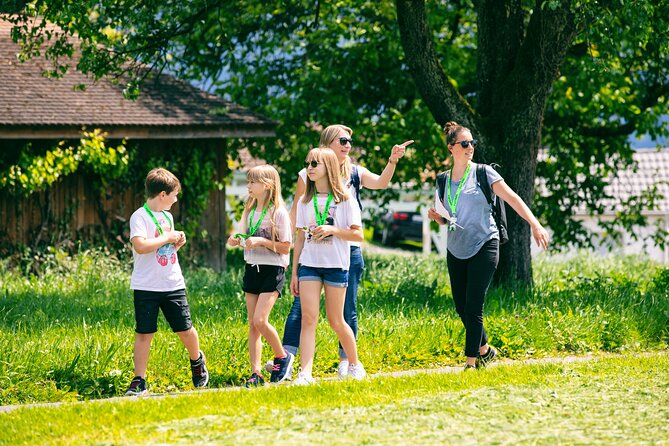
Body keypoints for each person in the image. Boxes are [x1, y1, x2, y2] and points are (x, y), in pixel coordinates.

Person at [274, 124, 412, 378]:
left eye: (350, 141)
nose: (348, 145)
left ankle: (348, 362)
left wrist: (392, 161)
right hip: (311, 258)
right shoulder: (308, 176)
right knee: (304, 313)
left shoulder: (353, 178)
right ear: (327, 145)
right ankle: (290, 363)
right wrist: (287, 253)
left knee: (343, 314)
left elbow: (380, 184)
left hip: (346, 253)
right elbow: (297, 217)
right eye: (343, 140)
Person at [427, 121, 550, 370]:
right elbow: (446, 215)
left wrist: (534, 224)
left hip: (485, 243)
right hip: (456, 247)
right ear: (451, 148)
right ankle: (485, 350)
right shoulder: (442, 180)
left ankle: (471, 364)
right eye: (464, 143)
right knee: (461, 307)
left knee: (474, 305)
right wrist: (438, 218)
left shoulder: (483, 173)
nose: (470, 147)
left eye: (472, 142)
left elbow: (514, 198)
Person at [125, 167, 209, 396]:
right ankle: (139, 380)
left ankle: (197, 360)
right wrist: (167, 237)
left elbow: (164, 248)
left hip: (172, 283)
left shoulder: (168, 216)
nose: (176, 199)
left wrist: (175, 243)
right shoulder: (139, 216)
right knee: (144, 333)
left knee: (185, 330)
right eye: (174, 194)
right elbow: (141, 246)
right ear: (162, 194)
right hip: (146, 285)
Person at [290, 148, 366, 385]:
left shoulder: (344, 200)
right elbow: (300, 238)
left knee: (336, 320)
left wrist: (332, 229)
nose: (310, 167)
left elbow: (358, 235)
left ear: (329, 168)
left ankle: (354, 364)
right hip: (309, 265)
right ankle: (305, 373)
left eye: (315, 163)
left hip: (336, 266)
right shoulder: (305, 201)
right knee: (308, 319)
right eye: (308, 163)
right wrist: (294, 272)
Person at [227, 165, 294, 388]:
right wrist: (235, 239)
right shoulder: (249, 209)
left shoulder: (279, 213)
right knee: (252, 325)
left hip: (272, 270)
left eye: (252, 182)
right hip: (252, 268)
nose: (248, 186)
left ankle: (282, 356)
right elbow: (239, 233)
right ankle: (256, 373)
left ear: (266, 185)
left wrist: (262, 242)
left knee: (260, 320)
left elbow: (286, 247)